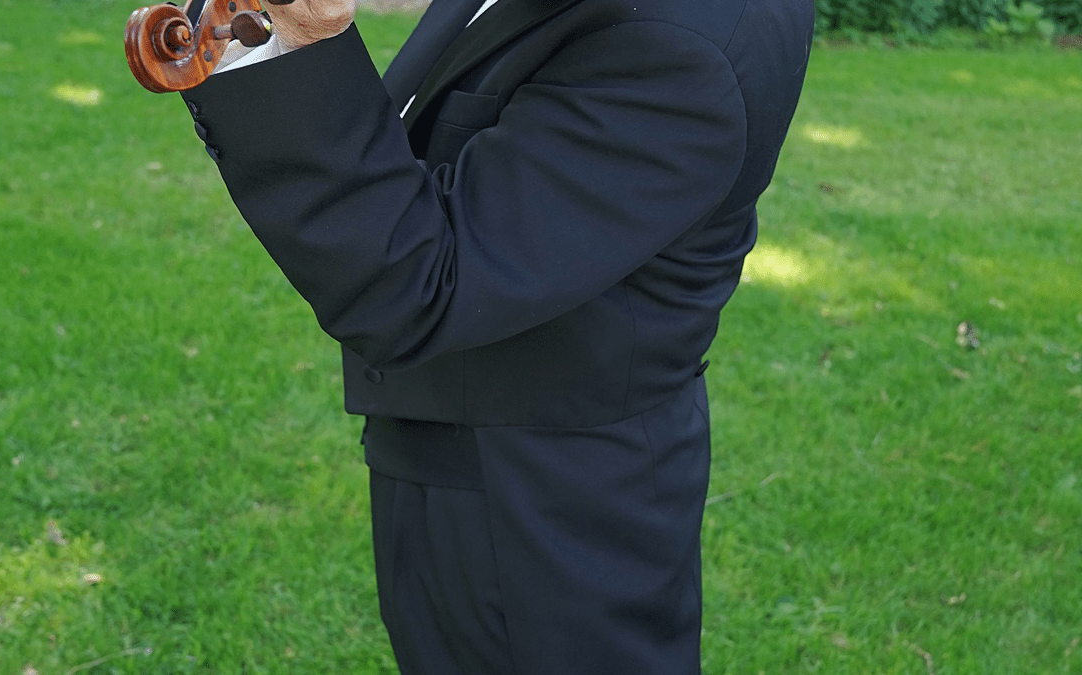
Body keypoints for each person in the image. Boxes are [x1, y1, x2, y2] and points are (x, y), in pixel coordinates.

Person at [179, 0, 812, 671]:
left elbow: (417, 285)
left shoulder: (678, 48)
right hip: (498, 457)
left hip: (538, 518)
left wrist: (303, 38)